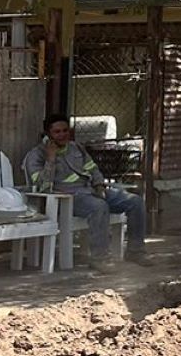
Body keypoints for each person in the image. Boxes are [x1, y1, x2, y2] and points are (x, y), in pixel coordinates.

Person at [23, 114, 148, 266]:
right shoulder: (36, 155)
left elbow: (93, 169)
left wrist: (100, 185)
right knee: (99, 207)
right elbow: (42, 187)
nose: (62, 135)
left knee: (135, 202)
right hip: (67, 198)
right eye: (57, 132)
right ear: (48, 134)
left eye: (65, 130)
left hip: (91, 190)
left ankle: (136, 252)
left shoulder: (76, 148)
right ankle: (100, 259)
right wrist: (51, 159)